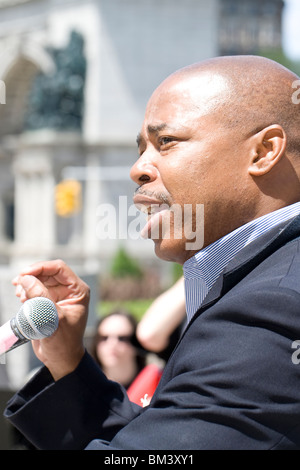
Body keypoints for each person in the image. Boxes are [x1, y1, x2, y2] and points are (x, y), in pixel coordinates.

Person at [4, 55, 300, 450]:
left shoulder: (273, 306)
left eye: (167, 142)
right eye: (142, 148)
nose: (138, 168)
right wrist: (68, 363)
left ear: (264, 151)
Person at [90, 310, 162, 405]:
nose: (112, 344)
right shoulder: (85, 389)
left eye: (122, 338)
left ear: (137, 343)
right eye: (104, 338)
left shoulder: (158, 382)